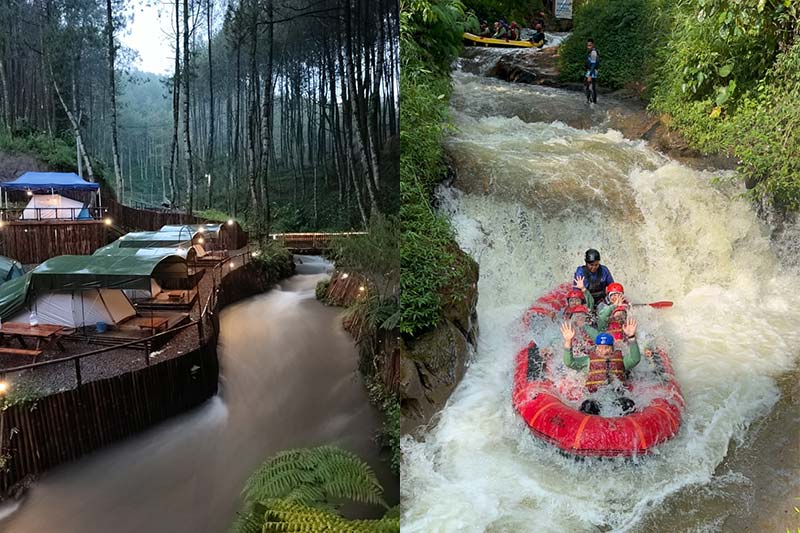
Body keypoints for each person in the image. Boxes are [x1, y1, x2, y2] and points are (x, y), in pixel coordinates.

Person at [561, 319, 641, 415]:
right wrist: (568, 341)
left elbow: (635, 359)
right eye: (600, 348)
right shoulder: (588, 361)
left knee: (628, 403)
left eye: (606, 347)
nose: (603, 351)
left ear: (612, 349)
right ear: (596, 349)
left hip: (617, 398)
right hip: (595, 398)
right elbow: (569, 362)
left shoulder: (621, 361)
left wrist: (631, 337)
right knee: (588, 405)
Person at [585, 39, 600, 104]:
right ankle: (591, 101)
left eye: (590, 45)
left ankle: (592, 102)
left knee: (590, 87)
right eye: (588, 45)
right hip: (590, 71)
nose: (588, 47)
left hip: (592, 72)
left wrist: (590, 75)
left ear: (593, 45)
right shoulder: (591, 51)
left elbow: (593, 64)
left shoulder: (593, 52)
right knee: (589, 87)